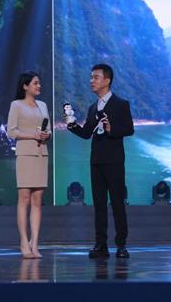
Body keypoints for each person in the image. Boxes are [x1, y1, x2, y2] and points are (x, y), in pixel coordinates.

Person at [67, 64, 134, 258]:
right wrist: (72, 125)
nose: (91, 81)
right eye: (91, 77)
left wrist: (112, 129)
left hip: (114, 161)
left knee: (117, 203)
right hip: (96, 161)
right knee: (99, 205)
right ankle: (101, 245)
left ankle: (121, 245)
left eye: (95, 77)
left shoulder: (121, 104)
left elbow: (129, 129)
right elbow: (86, 133)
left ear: (107, 80)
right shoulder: (92, 108)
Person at [7, 71, 51, 258]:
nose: (38, 86)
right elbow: (11, 131)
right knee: (24, 198)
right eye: (35, 83)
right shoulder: (16, 105)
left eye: (39, 83)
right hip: (25, 154)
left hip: (41, 153)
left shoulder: (43, 105)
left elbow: (48, 130)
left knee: (38, 199)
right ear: (25, 86)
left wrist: (46, 135)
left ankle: (35, 243)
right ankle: (24, 242)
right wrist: (31, 135)